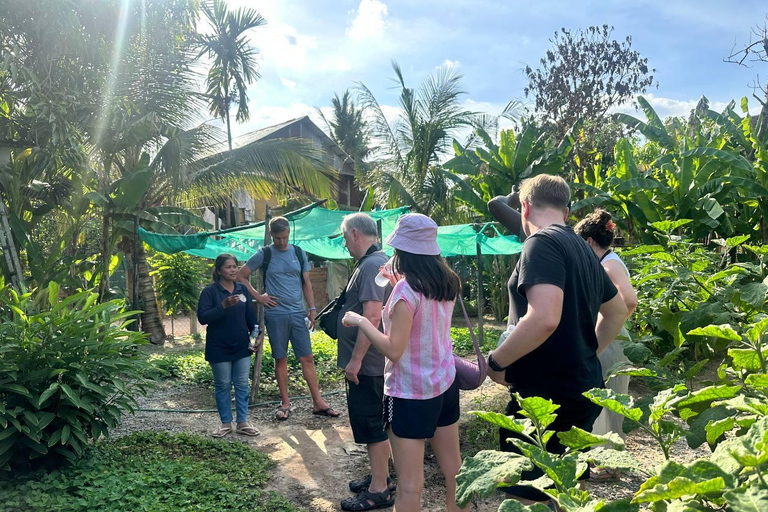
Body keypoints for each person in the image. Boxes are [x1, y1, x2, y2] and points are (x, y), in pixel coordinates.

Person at [485, 175, 628, 505]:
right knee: (563, 490)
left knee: (528, 497)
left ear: (524, 207)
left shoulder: (541, 243)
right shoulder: (582, 248)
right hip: (582, 389)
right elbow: (618, 311)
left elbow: (544, 318)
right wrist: (586, 352)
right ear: (566, 211)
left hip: (544, 399)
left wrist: (496, 361)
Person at [342, 213, 468, 512]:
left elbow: (394, 349)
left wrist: (360, 320)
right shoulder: (446, 283)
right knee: (454, 470)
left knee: (410, 485)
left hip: (409, 394)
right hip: (443, 384)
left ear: (403, 251)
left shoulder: (406, 290)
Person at [237, 217, 340, 421]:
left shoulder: (299, 252)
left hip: (297, 313)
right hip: (276, 314)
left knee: (307, 358)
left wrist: (312, 309)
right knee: (280, 358)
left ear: (289, 234)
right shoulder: (264, 254)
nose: (282, 242)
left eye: (284, 237)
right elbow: (241, 275)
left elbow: (306, 282)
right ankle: (285, 403)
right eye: (277, 238)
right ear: (272, 235)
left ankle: (318, 401)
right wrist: (259, 297)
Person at [337, 213, 395, 511]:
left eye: (345, 238)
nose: (345, 244)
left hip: (368, 364)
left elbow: (371, 315)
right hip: (374, 363)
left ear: (356, 234)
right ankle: (380, 476)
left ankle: (379, 490)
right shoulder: (376, 262)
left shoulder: (372, 264)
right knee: (378, 423)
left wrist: (355, 360)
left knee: (372, 424)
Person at [575, 209, 638, 443]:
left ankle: (612, 464)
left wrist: (611, 327)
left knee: (609, 402)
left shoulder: (607, 265)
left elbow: (630, 300)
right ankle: (606, 458)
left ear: (589, 241)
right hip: (611, 335)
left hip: (610, 339)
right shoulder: (608, 261)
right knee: (606, 399)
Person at [197, 253, 261, 438]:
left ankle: (242, 422)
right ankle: (225, 423)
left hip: (241, 346)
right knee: (223, 384)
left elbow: (251, 318)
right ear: (218, 271)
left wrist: (256, 336)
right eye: (228, 267)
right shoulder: (210, 292)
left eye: (235, 266)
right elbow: (203, 317)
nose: (233, 270)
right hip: (219, 346)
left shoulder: (242, 289)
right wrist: (223, 305)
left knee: (241, 384)